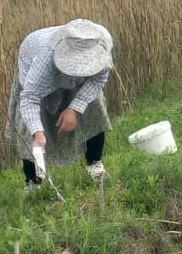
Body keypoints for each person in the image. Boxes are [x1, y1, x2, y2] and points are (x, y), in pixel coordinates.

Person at [7, 19, 114, 191]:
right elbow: (29, 98)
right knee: (31, 135)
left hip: (78, 83)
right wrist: (38, 133)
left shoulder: (102, 44)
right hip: (38, 83)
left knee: (94, 109)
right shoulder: (45, 59)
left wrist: (75, 108)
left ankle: (94, 163)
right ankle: (33, 183)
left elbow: (99, 78)